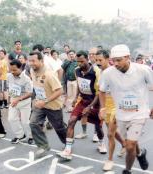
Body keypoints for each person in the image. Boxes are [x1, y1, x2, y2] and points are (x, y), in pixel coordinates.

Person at [99, 44, 152, 174]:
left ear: (128, 57)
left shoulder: (143, 70)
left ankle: (127, 170)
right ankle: (140, 153)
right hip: (121, 113)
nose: (115, 63)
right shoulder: (108, 73)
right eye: (113, 60)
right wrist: (103, 107)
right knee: (130, 142)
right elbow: (101, 91)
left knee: (129, 146)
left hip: (139, 113)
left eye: (119, 60)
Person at [58, 50, 106, 160]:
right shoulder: (77, 70)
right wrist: (75, 98)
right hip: (83, 101)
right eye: (77, 61)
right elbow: (80, 85)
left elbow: (99, 93)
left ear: (87, 59)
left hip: (95, 103)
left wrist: (90, 107)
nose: (79, 64)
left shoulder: (96, 71)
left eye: (81, 61)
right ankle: (67, 150)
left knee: (98, 127)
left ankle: (101, 143)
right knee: (71, 121)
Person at [29, 51, 67, 159]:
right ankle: (43, 145)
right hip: (40, 104)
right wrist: (36, 99)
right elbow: (37, 85)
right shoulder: (32, 70)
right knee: (33, 123)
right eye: (30, 61)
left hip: (53, 105)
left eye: (33, 61)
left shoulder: (49, 74)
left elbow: (60, 91)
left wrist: (45, 101)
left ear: (41, 61)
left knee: (59, 127)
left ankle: (68, 143)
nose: (31, 63)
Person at [95, 49, 126, 171]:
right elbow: (100, 91)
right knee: (111, 130)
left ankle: (109, 159)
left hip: (116, 104)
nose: (97, 62)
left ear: (108, 59)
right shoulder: (100, 72)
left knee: (109, 134)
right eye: (96, 60)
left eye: (100, 60)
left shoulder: (116, 71)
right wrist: (101, 107)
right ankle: (126, 144)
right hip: (105, 104)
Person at [8, 59, 33, 144]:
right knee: (11, 119)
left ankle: (30, 136)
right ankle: (20, 135)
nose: (12, 72)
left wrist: (19, 99)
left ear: (21, 68)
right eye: (11, 70)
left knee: (25, 121)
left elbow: (30, 93)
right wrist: (10, 99)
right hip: (13, 100)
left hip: (24, 102)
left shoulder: (26, 79)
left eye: (14, 70)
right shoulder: (9, 76)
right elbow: (10, 89)